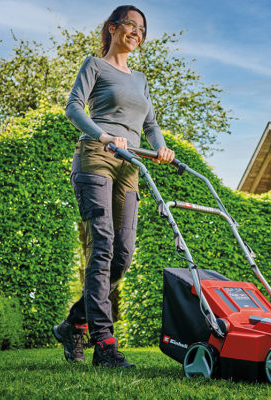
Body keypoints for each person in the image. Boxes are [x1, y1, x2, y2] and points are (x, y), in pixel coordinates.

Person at [53, 5, 175, 368]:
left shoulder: (139, 79)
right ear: (112, 27)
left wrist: (161, 148)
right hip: (97, 156)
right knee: (102, 242)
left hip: (132, 164)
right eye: (130, 25)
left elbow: (150, 124)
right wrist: (103, 135)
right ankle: (104, 344)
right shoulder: (95, 65)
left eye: (142, 28)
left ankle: (74, 322)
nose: (136, 32)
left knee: (122, 252)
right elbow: (74, 108)